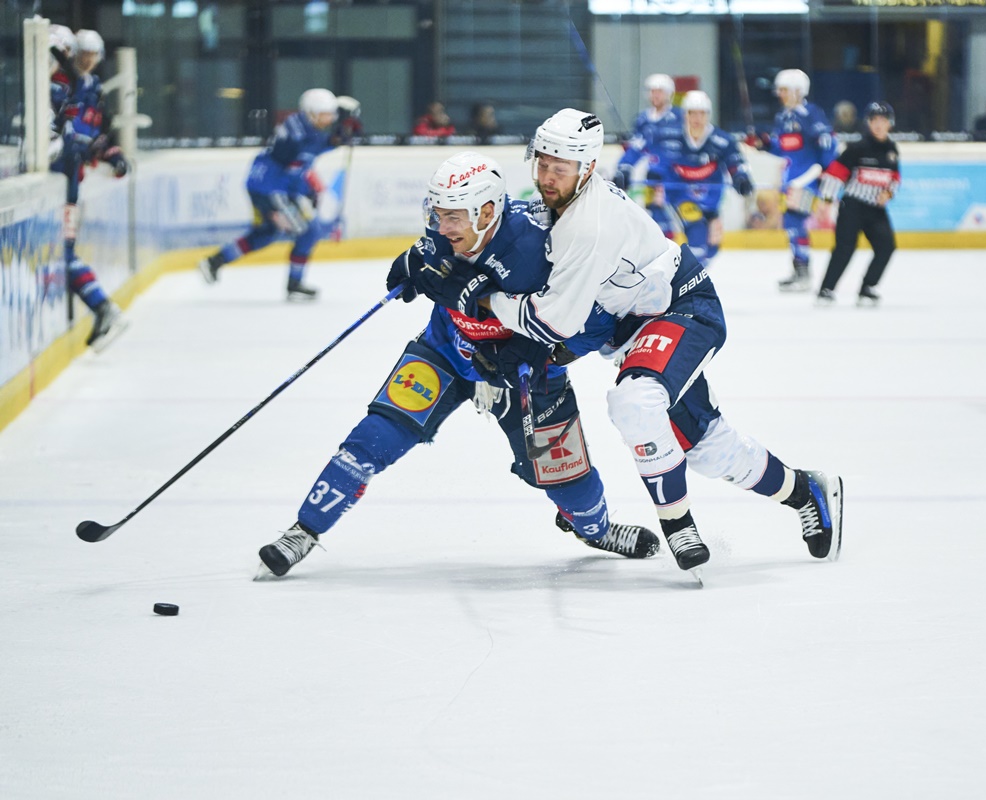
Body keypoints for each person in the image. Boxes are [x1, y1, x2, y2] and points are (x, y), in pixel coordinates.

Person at [419, 109, 844, 577]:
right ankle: (808, 491)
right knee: (709, 449)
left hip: (680, 309)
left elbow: (552, 324)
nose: (546, 177)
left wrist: (479, 296)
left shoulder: (588, 226)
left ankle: (677, 524)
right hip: (634, 331)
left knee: (634, 400)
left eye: (559, 168)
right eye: (541, 163)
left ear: (588, 167)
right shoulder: (559, 206)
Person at [256, 152, 659, 577]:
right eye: (436, 214)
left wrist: (546, 352)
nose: (440, 227)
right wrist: (412, 263)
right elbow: (429, 258)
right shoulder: (442, 231)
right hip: (447, 351)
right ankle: (304, 530)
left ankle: (594, 529)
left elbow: (596, 322)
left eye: (453, 218)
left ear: (487, 212)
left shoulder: (543, 249)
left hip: (527, 374)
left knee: (566, 481)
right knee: (373, 437)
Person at [197, 89, 359, 300]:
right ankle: (294, 283)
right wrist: (309, 190)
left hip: (264, 185)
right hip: (271, 189)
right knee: (308, 231)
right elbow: (300, 161)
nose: (331, 118)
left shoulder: (302, 125)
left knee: (266, 234)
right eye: (325, 114)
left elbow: (312, 147)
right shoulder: (298, 136)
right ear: (311, 112)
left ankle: (214, 261)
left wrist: (336, 140)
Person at [49, 26, 130, 352]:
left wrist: (113, 154)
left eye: (93, 55)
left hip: (66, 179)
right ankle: (101, 306)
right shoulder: (69, 84)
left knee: (63, 252)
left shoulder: (83, 86)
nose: (88, 60)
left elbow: (97, 134)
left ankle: (102, 306)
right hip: (64, 176)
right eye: (82, 54)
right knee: (62, 252)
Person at [645, 90, 754, 267]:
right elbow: (658, 161)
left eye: (702, 113)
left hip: (711, 203)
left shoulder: (722, 140)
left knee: (712, 247)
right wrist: (652, 173)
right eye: (691, 113)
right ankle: (689, 285)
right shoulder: (671, 137)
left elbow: (736, 163)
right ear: (684, 115)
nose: (697, 118)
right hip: (681, 198)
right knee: (697, 234)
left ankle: (690, 278)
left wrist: (741, 178)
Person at [756, 69, 838, 293]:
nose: (780, 94)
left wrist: (824, 176)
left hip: (808, 180)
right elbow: (782, 148)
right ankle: (799, 270)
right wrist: (763, 144)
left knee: (794, 222)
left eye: (784, 90)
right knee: (792, 225)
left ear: (798, 91)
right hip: (791, 181)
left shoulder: (810, 114)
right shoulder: (783, 116)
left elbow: (827, 147)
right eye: (780, 90)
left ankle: (803, 272)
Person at [814, 102, 900, 308]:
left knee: (887, 246)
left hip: (875, 209)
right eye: (874, 121)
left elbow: (895, 177)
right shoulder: (857, 148)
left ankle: (867, 287)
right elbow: (835, 175)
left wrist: (888, 192)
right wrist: (826, 200)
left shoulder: (891, 150)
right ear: (868, 123)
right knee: (845, 248)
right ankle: (826, 289)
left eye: (883, 121)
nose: (879, 125)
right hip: (852, 206)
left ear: (890, 124)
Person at [611, 73, 683, 238]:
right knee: (656, 215)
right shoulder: (643, 119)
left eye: (660, 91)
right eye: (652, 91)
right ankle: (667, 248)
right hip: (654, 177)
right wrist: (624, 168)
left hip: (677, 177)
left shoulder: (679, 118)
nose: (655, 95)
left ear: (669, 93)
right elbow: (637, 147)